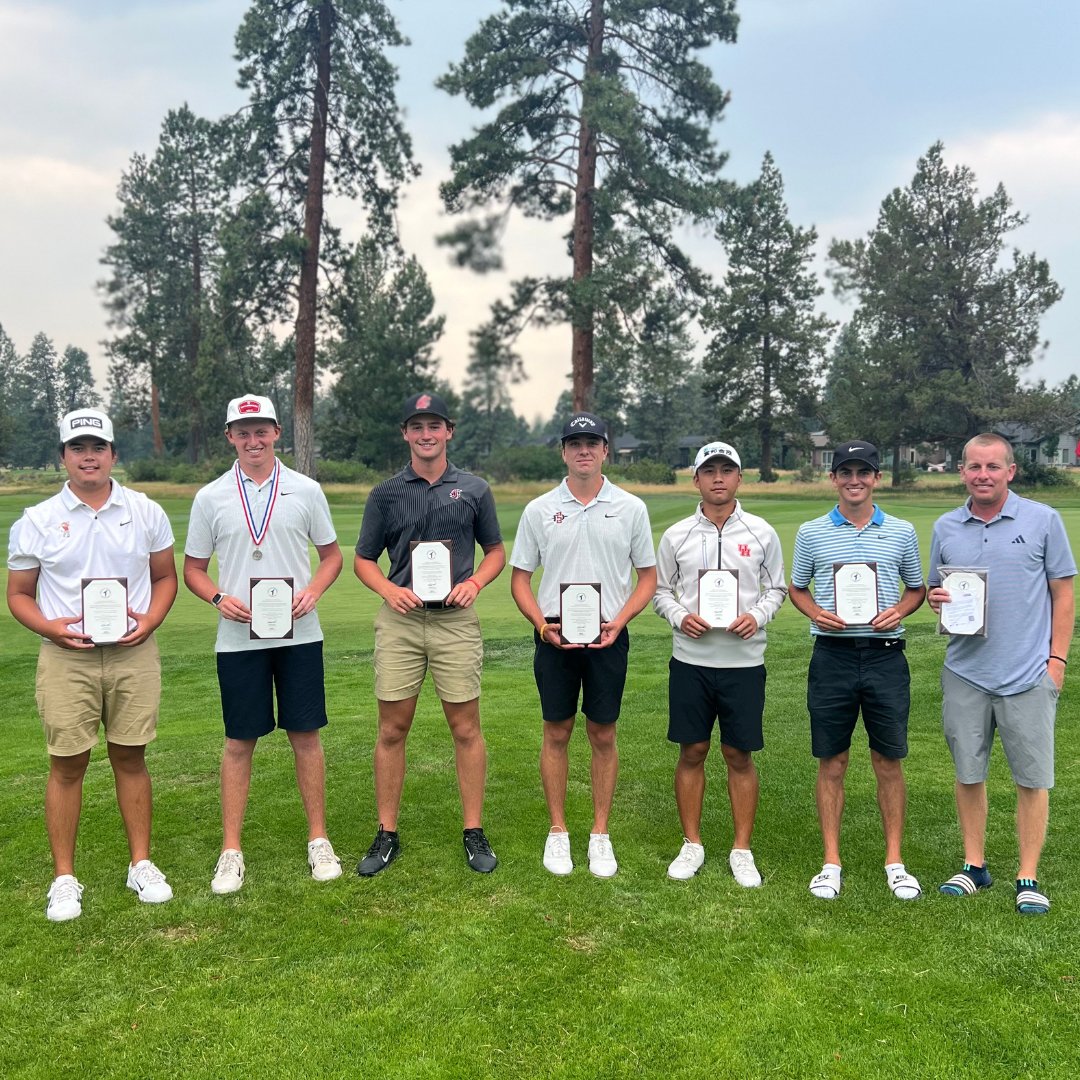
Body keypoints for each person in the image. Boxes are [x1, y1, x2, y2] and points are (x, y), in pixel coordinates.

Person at [7, 408, 177, 921]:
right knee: (66, 764)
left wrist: (150, 620)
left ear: (112, 454)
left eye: (97, 447)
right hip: (65, 658)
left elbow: (165, 577)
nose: (88, 456)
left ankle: (140, 864)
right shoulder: (36, 520)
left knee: (131, 757)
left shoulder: (145, 510)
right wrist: (49, 627)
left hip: (133, 653)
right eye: (78, 448)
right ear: (62, 456)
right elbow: (19, 595)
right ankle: (64, 877)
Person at [183, 395, 343, 894]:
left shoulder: (306, 489)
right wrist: (217, 597)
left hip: (299, 633)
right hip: (237, 637)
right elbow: (192, 568)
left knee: (306, 737)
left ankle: (319, 839)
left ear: (277, 433)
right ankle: (231, 849)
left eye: (262, 431)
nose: (253, 440)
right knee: (238, 742)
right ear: (229, 436)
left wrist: (313, 591)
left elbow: (331, 556)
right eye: (242, 432)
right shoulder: (210, 496)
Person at [354, 392, 505, 875]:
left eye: (434, 426)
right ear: (405, 434)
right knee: (393, 728)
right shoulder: (385, 493)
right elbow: (363, 559)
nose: (426, 434)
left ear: (449, 431)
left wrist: (476, 581)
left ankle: (474, 831)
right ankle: (386, 833)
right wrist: (386, 590)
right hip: (401, 620)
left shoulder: (475, 489)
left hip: (455, 621)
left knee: (465, 728)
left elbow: (496, 550)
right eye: (417, 426)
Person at [928, 433, 1075, 915]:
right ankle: (974, 866)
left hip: (1028, 672)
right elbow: (936, 589)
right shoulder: (947, 526)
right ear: (962, 471)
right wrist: (936, 600)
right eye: (974, 466)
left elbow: (1063, 593)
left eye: (993, 466)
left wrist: (1056, 662)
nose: (983, 475)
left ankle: (1027, 876)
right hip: (965, 671)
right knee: (969, 773)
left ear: (1011, 470)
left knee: (1032, 779)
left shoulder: (1042, 520)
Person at [510, 412, 656, 878]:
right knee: (556, 732)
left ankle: (599, 833)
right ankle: (558, 832)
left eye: (592, 442)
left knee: (603, 734)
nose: (584, 450)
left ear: (606, 450)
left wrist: (621, 619)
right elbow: (520, 579)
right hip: (554, 636)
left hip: (608, 636)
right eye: (575, 443)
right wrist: (538, 623)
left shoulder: (630, 507)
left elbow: (647, 577)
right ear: (564, 452)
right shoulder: (539, 509)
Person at [788, 441, 926, 901]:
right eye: (845, 472)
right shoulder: (811, 532)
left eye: (862, 472)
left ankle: (895, 861)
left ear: (876, 477)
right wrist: (813, 613)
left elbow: (916, 589)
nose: (854, 480)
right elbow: (798, 587)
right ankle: (831, 863)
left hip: (886, 654)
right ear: (834, 478)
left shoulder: (902, 531)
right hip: (832, 655)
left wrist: (899, 611)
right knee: (833, 760)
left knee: (888, 759)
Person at [653, 441, 787, 885]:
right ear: (695, 479)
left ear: (739, 478)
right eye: (709, 470)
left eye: (726, 470)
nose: (717, 478)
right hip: (690, 660)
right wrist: (678, 615)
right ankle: (691, 844)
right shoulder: (676, 535)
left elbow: (777, 589)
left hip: (744, 663)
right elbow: (659, 591)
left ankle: (741, 849)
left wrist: (757, 615)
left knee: (738, 753)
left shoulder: (761, 532)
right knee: (692, 750)